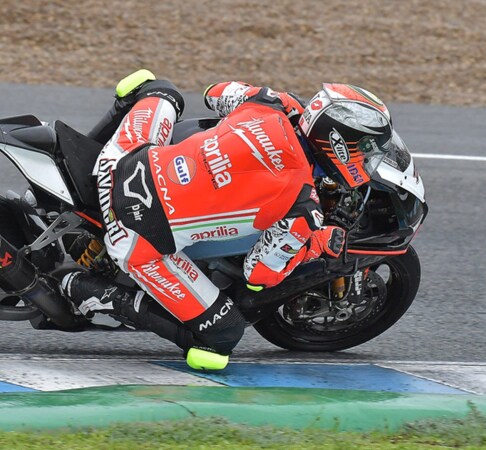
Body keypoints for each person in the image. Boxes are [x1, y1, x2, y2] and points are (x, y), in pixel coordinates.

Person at [59, 69, 394, 370]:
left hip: (120, 158)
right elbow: (258, 275)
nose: (368, 157)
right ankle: (84, 290)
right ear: (338, 146)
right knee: (221, 337)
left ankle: (81, 157)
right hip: (136, 237)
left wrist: (281, 101)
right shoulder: (303, 208)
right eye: (365, 148)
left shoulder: (266, 105)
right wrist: (321, 243)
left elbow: (214, 92)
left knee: (158, 89)